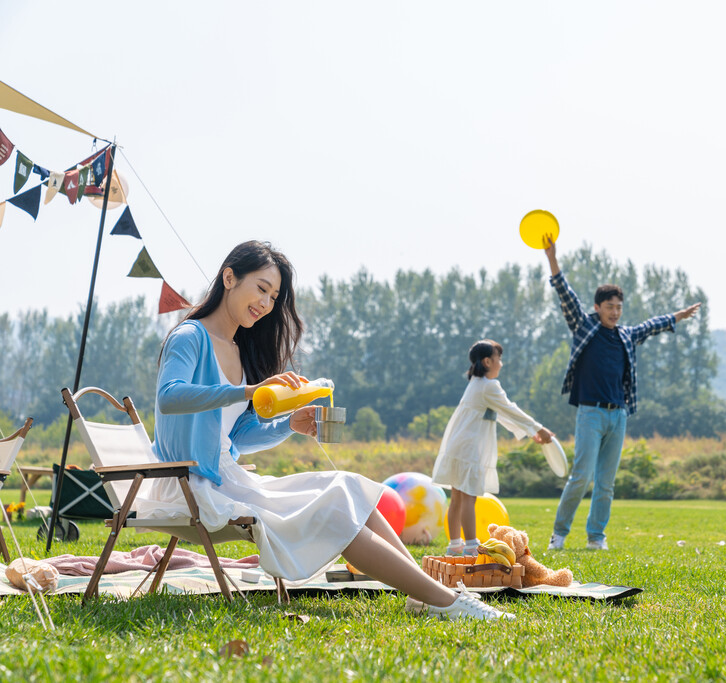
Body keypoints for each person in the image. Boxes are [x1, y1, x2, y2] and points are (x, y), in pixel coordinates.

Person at [145, 240, 511, 620]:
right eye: (262, 289)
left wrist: (289, 424)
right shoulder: (189, 336)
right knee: (336, 514)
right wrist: (248, 391)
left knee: (350, 485)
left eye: (274, 296)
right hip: (190, 486)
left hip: (227, 478)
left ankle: (425, 595)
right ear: (229, 277)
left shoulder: (237, 351)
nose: (267, 304)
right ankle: (447, 603)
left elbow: (234, 438)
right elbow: (169, 397)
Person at [542, 238, 701, 551]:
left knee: (606, 484)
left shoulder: (626, 336)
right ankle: (559, 534)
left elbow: (650, 326)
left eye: (619, 308)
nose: (615, 312)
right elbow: (566, 294)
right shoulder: (583, 326)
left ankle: (596, 537)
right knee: (581, 476)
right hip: (590, 413)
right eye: (609, 307)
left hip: (618, 415)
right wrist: (552, 259)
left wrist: (678, 316)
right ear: (598, 308)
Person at [432, 340, 554, 557]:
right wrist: (538, 428)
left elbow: (501, 414)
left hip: (459, 446)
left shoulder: (477, 384)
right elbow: (510, 409)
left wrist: (531, 432)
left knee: (458, 498)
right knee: (469, 497)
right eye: (499, 359)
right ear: (488, 361)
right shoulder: (489, 386)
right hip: (470, 449)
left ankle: (454, 546)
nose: (501, 364)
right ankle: (470, 546)